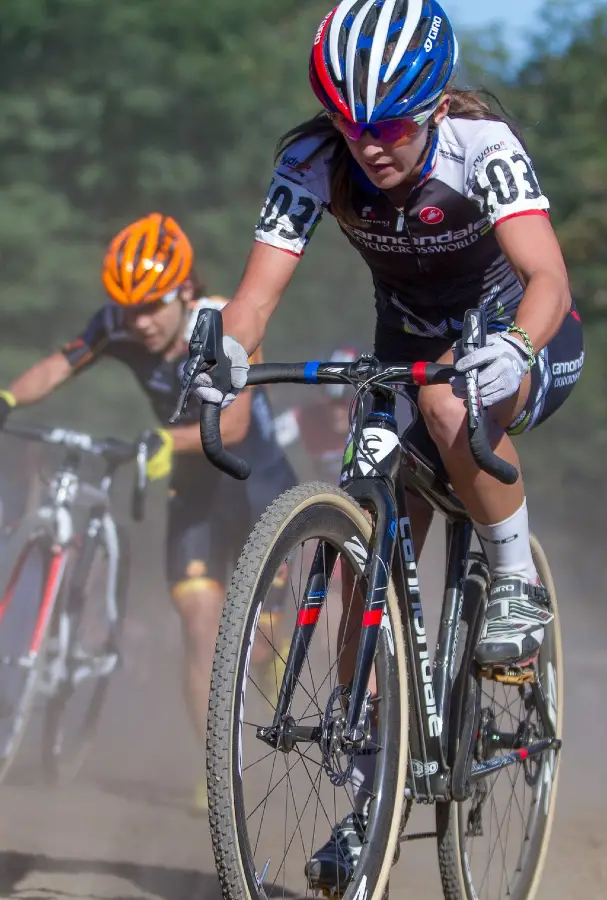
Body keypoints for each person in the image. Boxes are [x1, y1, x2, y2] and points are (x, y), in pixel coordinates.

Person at [182, 0, 583, 885]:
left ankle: (511, 580)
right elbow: (253, 299)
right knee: (364, 537)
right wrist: (231, 351)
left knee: (448, 408)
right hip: (403, 343)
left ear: (435, 104)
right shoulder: (310, 160)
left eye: (392, 125)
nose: (371, 145)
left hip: (521, 328)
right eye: (349, 123)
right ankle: (373, 794)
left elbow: (546, 274)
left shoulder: (480, 145)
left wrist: (513, 344)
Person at [0, 212, 296, 808]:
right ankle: (219, 764)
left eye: (150, 307)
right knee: (198, 630)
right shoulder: (120, 322)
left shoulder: (223, 323)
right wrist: (7, 396)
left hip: (255, 484)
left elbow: (233, 425)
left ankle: (267, 672)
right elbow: (60, 364)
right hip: (192, 492)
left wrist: (167, 441)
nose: (137, 322)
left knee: (258, 648)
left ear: (184, 290)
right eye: (126, 308)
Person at [274, 347, 359, 482]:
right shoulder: (305, 417)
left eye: (343, 403)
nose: (336, 412)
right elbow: (265, 442)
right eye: (331, 402)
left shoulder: (377, 421)